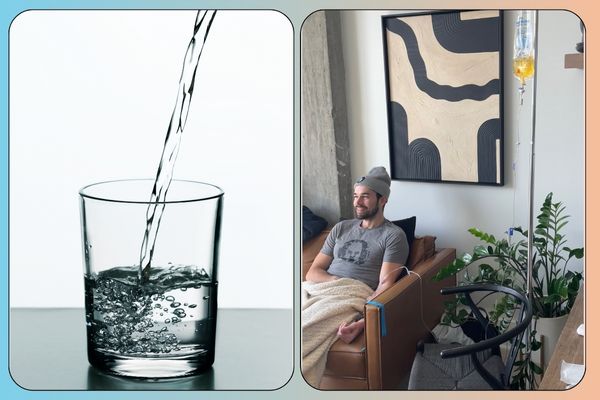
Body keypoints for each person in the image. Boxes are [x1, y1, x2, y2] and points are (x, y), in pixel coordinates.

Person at [305, 166, 409, 344]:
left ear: (382, 200)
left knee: (301, 331)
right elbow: (312, 273)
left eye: (365, 196)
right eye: (356, 196)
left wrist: (362, 322)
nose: (357, 202)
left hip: (354, 295)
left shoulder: (393, 236)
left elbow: (385, 286)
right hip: (322, 288)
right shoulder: (341, 228)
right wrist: (336, 281)